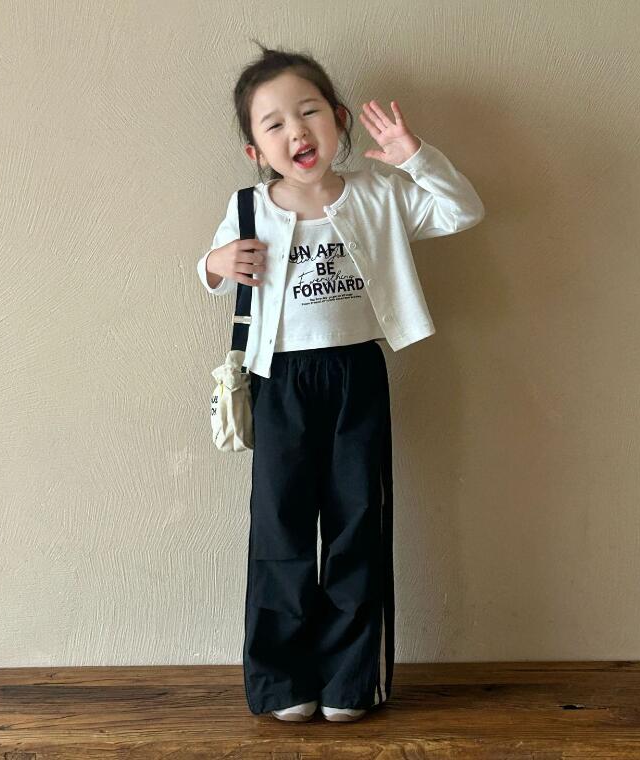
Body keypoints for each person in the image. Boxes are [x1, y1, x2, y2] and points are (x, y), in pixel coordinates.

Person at [197, 41, 485, 722]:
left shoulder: (379, 193)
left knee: (359, 521)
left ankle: (350, 681)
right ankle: (283, 682)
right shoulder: (248, 207)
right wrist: (214, 262)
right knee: (281, 528)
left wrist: (415, 157)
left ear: (339, 120)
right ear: (255, 151)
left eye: (309, 112)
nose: (296, 132)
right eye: (274, 124)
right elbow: (211, 273)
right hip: (279, 380)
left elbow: (461, 212)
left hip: (356, 371)